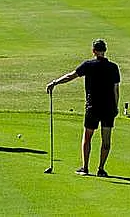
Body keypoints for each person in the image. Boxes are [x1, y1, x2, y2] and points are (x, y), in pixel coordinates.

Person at [46, 38, 120, 176]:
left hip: (93, 107)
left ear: (93, 51)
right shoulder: (113, 67)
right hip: (109, 108)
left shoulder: (88, 65)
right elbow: (116, 90)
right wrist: (116, 107)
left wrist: (54, 83)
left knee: (87, 138)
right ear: (105, 50)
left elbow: (71, 76)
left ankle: (85, 168)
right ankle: (101, 169)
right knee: (106, 141)